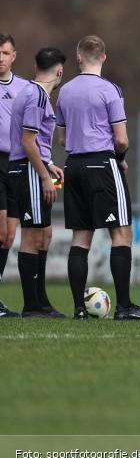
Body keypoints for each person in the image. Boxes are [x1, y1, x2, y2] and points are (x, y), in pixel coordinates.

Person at [56, 36, 140, 320]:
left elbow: (62, 139)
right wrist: (120, 159)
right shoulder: (110, 90)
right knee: (121, 233)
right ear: (104, 57)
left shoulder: (64, 91)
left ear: (78, 58)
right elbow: (121, 139)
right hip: (102, 164)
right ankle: (124, 307)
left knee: (80, 238)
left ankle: (78, 308)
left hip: (73, 166)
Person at [7, 48, 67, 316]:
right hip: (29, 172)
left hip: (37, 169)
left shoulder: (34, 93)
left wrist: (49, 163)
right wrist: (44, 176)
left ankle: (41, 301)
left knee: (44, 233)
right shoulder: (37, 97)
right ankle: (32, 305)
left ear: (35, 66)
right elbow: (27, 141)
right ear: (59, 71)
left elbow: (36, 143)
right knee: (32, 236)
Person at [0, 32, 29, 318]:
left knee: (9, 237)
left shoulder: (23, 88)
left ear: (14, 56)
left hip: (17, 164)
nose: (0, 58)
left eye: (5, 53)